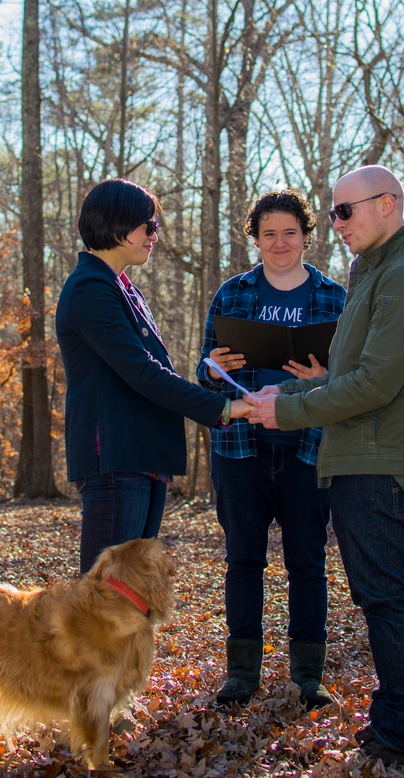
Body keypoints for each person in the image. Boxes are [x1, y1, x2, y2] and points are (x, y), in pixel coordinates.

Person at [245, 165, 404, 768]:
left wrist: (287, 410)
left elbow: (377, 385)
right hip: (362, 450)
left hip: (381, 458)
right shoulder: (378, 270)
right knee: (378, 594)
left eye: (345, 211)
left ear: (386, 204)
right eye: (333, 212)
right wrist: (315, 386)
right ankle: (395, 719)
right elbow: (361, 374)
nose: (335, 224)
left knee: (386, 597)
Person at [196, 189, 346, 708]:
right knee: (243, 561)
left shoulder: (334, 298)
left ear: (306, 235)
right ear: (254, 239)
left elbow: (354, 381)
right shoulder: (232, 293)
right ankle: (241, 676)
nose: (279, 243)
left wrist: (327, 377)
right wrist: (215, 365)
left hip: (308, 449)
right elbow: (203, 375)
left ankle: (308, 677)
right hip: (241, 451)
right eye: (268, 234)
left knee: (307, 564)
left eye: (289, 232)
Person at [56, 177, 250, 573]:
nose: (154, 237)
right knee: (104, 600)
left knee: (131, 595)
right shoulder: (89, 289)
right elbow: (142, 373)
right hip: (114, 458)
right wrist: (225, 408)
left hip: (142, 457)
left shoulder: (123, 288)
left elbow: (150, 370)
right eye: (149, 226)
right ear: (118, 226)